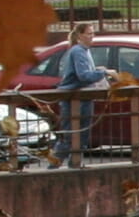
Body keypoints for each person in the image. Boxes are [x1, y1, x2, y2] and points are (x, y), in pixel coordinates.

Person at [47, 20, 109, 163]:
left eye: (93, 33)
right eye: (89, 33)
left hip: (82, 96)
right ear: (80, 35)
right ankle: (56, 165)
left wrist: (98, 71)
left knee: (80, 134)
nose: (92, 36)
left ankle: (73, 164)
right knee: (72, 134)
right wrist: (103, 73)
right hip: (75, 96)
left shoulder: (83, 51)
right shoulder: (78, 51)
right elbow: (84, 75)